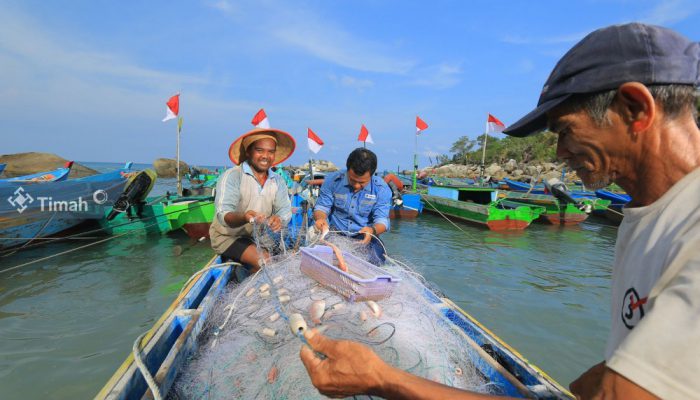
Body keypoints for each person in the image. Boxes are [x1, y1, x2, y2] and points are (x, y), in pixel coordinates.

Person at [300, 23, 700, 400]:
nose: (560, 153)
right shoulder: (647, 217)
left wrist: (383, 378)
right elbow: (622, 364)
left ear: (634, 108)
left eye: (564, 131)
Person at [209, 127, 296, 274]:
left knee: (286, 262)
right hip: (228, 236)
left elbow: (285, 210)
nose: (265, 156)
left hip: (260, 238)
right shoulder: (232, 176)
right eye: (259, 150)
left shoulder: (278, 180)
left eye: (270, 151)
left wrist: (279, 219)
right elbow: (224, 214)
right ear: (248, 152)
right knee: (265, 262)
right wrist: (244, 217)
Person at [312, 148, 392, 264]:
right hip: (334, 233)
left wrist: (372, 230)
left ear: (372, 175)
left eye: (362, 183)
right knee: (319, 259)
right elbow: (322, 207)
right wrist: (321, 218)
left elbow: (382, 220)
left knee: (376, 260)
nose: (356, 186)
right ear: (348, 170)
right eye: (352, 180)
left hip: (364, 237)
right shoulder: (332, 181)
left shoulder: (381, 189)